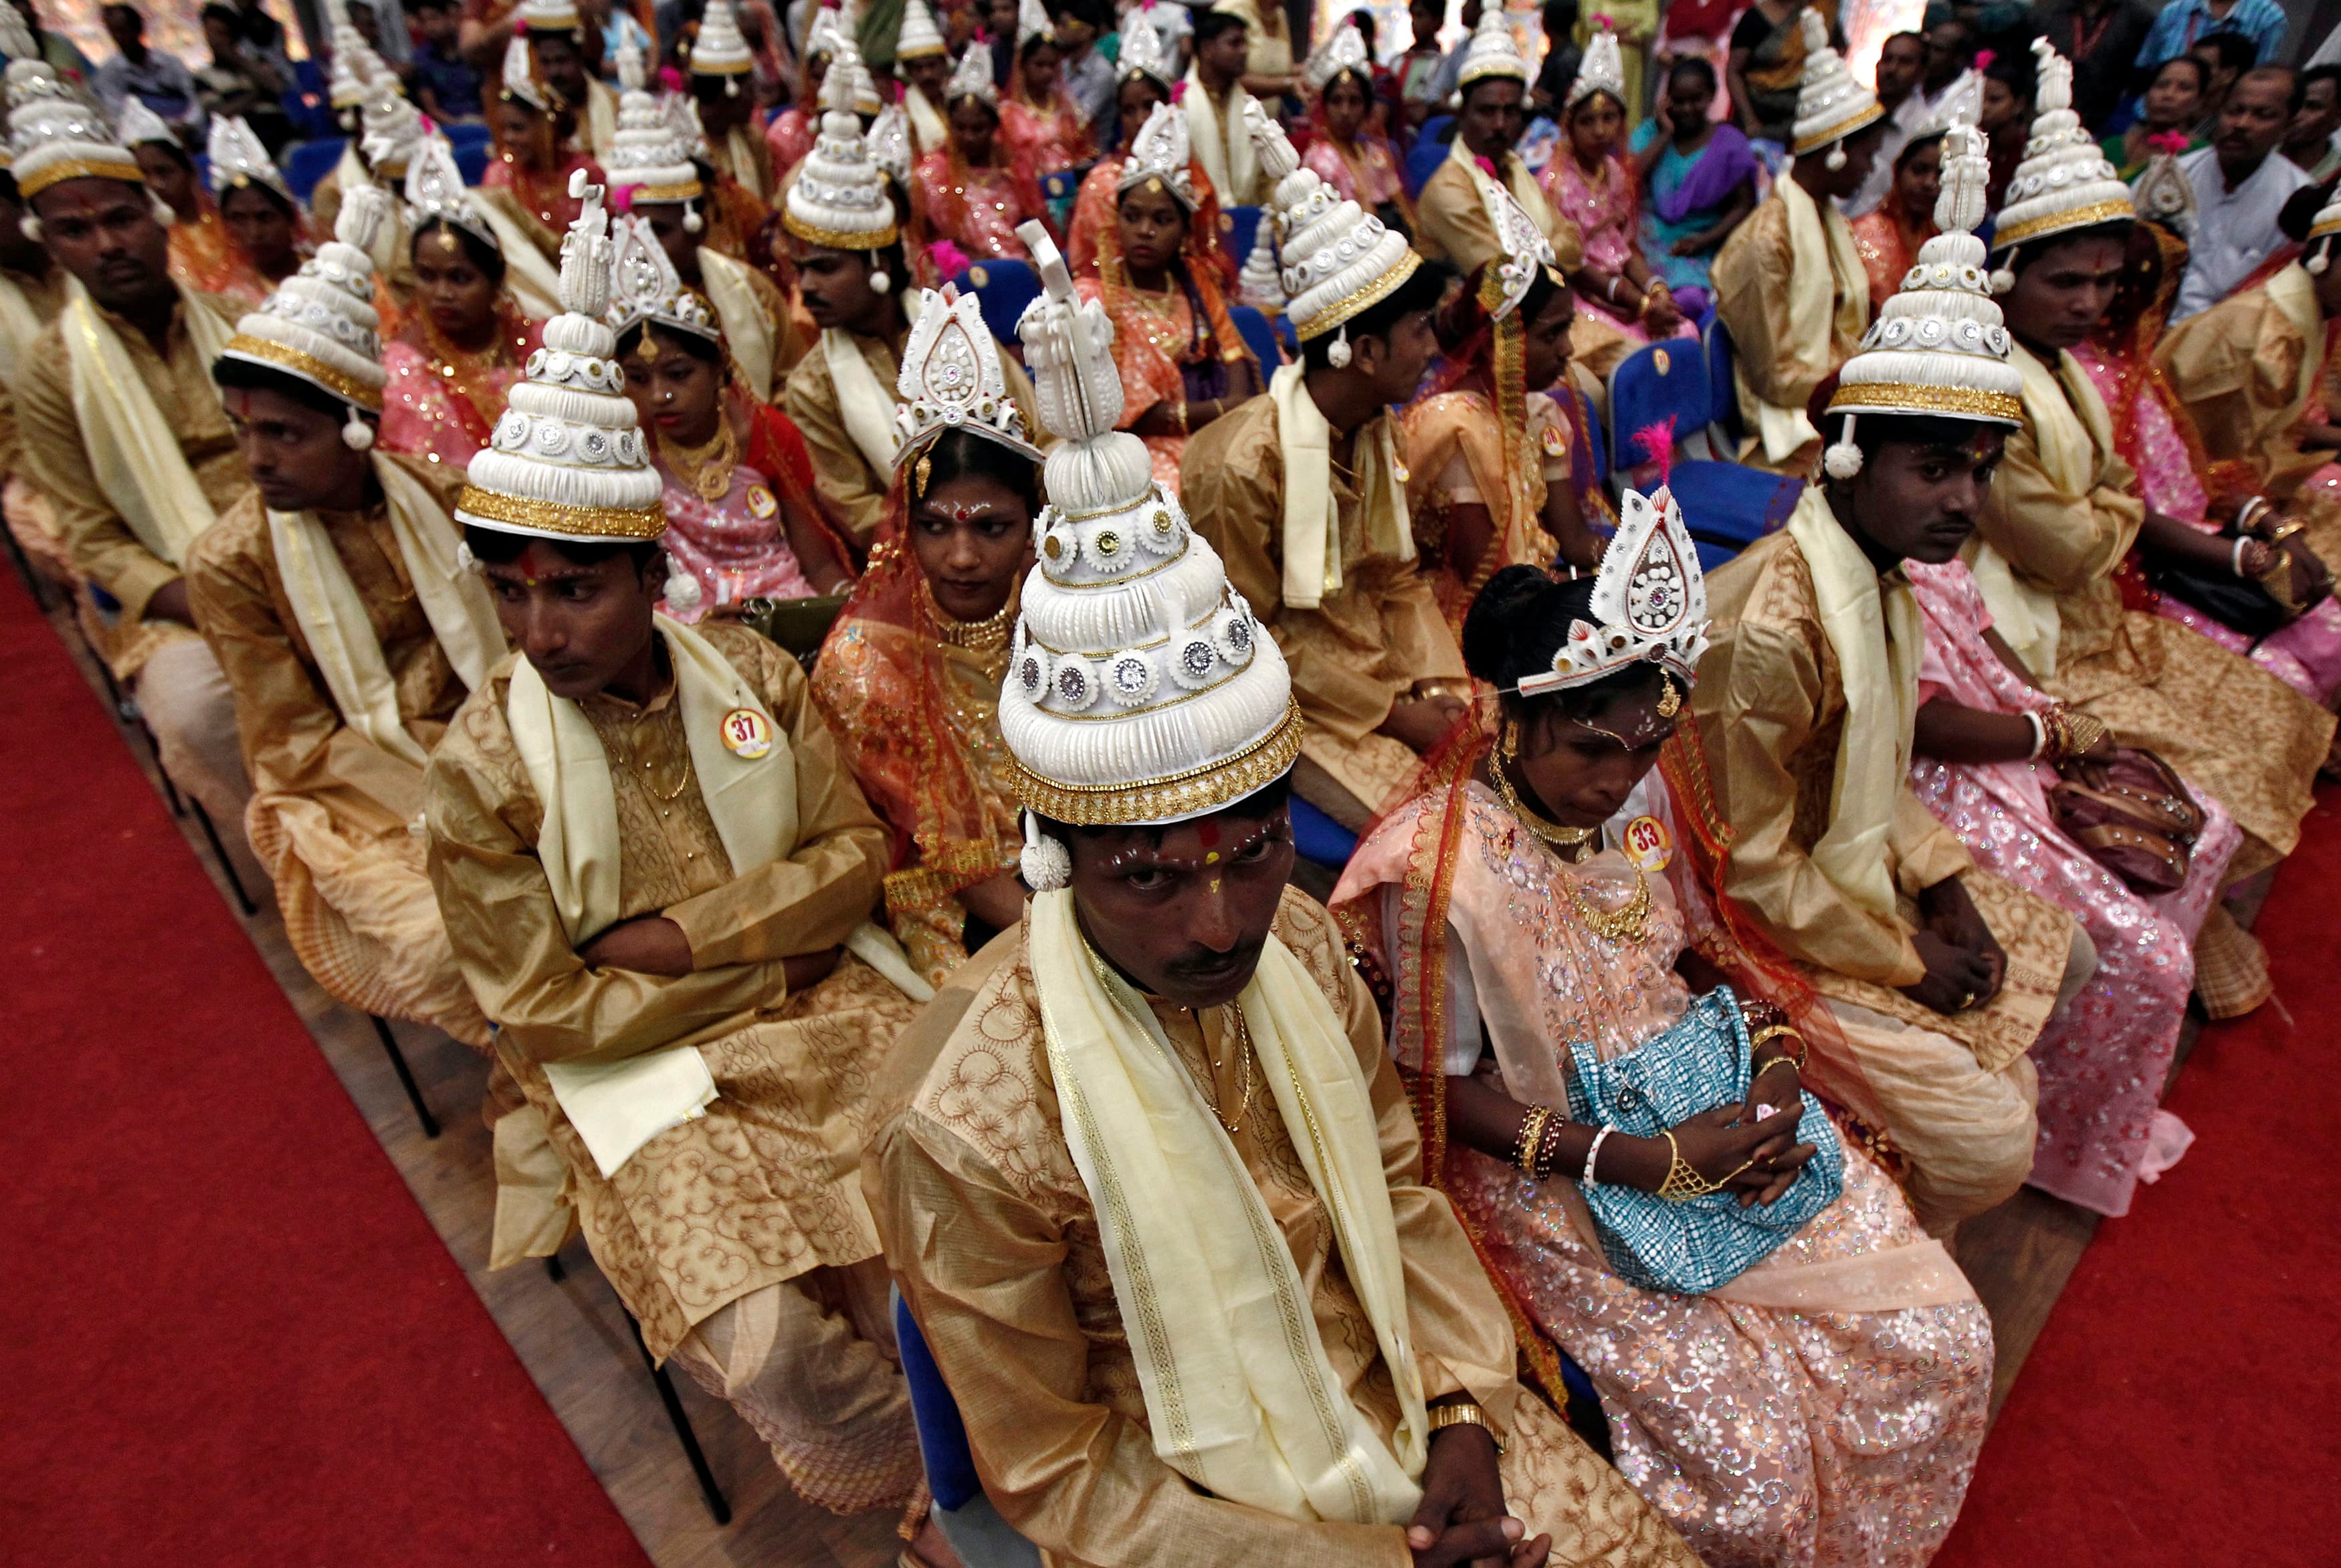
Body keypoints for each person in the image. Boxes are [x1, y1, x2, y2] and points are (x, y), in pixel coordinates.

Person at [867, 228, 1703, 1568]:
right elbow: (1060, 1473)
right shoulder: (967, 1126)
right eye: (1145, 871)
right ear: (1058, 852)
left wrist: (1462, 1412)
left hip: (1397, 1397)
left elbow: (1398, 1191)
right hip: (1193, 1507)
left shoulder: (1301, 942)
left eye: (1254, 849)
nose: (1219, 923)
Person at [423, 177, 941, 1540]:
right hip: (638, 1072)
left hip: (812, 1002)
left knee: (939, 1256)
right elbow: (543, 1007)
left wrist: (687, 938)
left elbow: (847, 855)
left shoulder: (755, 671)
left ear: (652, 578)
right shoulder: (483, 770)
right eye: (512, 588)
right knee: (771, 1341)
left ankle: (989, 1474)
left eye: (574, 587)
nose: (538, 629)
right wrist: (763, 960)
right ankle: (927, 1485)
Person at [1334, 517, 1994, 1565]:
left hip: (1707, 1086)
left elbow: (1691, 952)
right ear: (1514, 722)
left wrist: (1776, 1064)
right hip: (1555, 1161)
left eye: (1643, 747)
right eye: (1592, 749)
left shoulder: (1636, 801)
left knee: (1939, 1340)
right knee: (1754, 1468)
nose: (1620, 777)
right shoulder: (1437, 874)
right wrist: (1641, 1161)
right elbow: (1431, 1090)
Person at [1681, 122, 2091, 1233]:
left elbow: (1876, 767)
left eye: (1979, 471)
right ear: (1852, 454)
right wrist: (1910, 958)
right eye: (1936, 467)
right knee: (1997, 1140)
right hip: (1736, 917)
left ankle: (1884, 1174)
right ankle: (1869, 1196)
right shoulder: (1774, 629)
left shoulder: (1876, 564)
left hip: (1834, 875)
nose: (1967, 498)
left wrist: (1945, 885)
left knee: (2071, 955)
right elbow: (1749, 871)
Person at [1975, 41, 2334, 890]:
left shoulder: (2067, 369)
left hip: (2091, 608)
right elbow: (2061, 546)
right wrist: (2111, 516)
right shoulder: (1993, 386)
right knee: (2214, 784)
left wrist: (2104, 513)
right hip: (2032, 630)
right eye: (2066, 282)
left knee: (2270, 717)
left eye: (2103, 285)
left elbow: (2107, 504)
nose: (2090, 305)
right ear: (2006, 274)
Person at [187, 187, 500, 1054]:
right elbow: (293, 745)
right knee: (455, 936)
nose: (256, 459)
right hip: (351, 790)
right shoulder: (230, 561)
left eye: (284, 434)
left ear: (360, 427)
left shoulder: (443, 497)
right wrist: (460, 798)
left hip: (492, 731)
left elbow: (517, 644)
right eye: (243, 431)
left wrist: (508, 758)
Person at [1183, 113, 1463, 831]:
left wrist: (1438, 685)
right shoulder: (1239, 469)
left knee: (1514, 764)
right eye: (1418, 330)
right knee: (1440, 838)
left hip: (1375, 671)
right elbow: (1247, 641)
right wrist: (1398, 715)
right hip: (1280, 697)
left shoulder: (1371, 425)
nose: (1433, 348)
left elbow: (1395, 580)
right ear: (1363, 352)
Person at [10, 60, 258, 867]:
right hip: (171, 594)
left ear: (159, 218)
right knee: (194, 710)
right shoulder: (51, 374)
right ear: (50, 244)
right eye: (76, 231)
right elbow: (91, 536)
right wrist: (206, 599)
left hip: (288, 548)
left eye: (122, 218)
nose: (107, 244)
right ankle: (301, 854)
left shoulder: (239, 323)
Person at [810, 285, 1043, 985]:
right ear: (904, 527)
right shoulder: (865, 661)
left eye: (991, 528)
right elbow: (958, 866)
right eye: (935, 526)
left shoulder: (1059, 613)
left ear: (1032, 524)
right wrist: (1072, 938)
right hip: (952, 897)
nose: (962, 556)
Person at [784, 41, 1041, 552]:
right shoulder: (813, 387)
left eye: (825, 269)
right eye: (801, 271)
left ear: (879, 263)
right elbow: (855, 510)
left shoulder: (951, 324)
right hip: (917, 559)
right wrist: (955, 542)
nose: (806, 287)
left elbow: (1031, 428)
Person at [2148, 185, 2341, 706]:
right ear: (2326, 252)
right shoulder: (2261, 338)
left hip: (2242, 500)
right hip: (2184, 522)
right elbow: (2210, 467)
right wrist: (2276, 536)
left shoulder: (2309, 314)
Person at [609, 213, 853, 616]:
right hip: (677, 626)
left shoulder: (771, 434)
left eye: (679, 373)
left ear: (720, 369)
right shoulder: (623, 447)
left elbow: (819, 563)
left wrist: (850, 611)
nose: (659, 395)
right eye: (637, 378)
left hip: (775, 610)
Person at [1404, 203, 1602, 637]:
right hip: (1480, 625)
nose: (1569, 349)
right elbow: (1494, 589)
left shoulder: (1541, 412)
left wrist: (1634, 556)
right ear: (1501, 344)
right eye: (1552, 334)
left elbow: (1573, 540)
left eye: (1567, 329)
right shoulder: (1457, 429)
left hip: (1539, 592)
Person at [1710, 11, 1882, 475]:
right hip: (1785, 424)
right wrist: (1867, 384)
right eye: (1867, 151)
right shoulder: (1766, 244)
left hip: (1836, 393)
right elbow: (1777, 378)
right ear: (1836, 150)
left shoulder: (1828, 219)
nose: (1871, 166)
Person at [602, 39, 801, 401]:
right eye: (628, 233)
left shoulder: (750, 291)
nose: (642, 248)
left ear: (698, 227)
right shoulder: (602, 316)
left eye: (657, 231)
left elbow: (790, 385)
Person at [1077, 104, 1258, 491]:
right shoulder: (1093, 299)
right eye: (1133, 216)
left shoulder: (1195, 281)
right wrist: (1219, 410)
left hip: (1210, 433)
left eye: (1162, 220)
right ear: (1117, 220)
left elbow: (1235, 359)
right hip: (1133, 446)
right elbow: (1133, 416)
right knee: (1173, 490)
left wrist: (1229, 411)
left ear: (1184, 231)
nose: (1145, 231)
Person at [380, 157, 544, 469]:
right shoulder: (403, 368)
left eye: (459, 278)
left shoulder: (540, 346)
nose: (442, 293)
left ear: (496, 280)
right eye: (427, 277)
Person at [1544, 30, 1689, 348]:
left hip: (1623, 291)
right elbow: (1576, 269)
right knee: (1637, 351)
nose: (1600, 130)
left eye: (1609, 118)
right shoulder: (1555, 183)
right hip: (1579, 298)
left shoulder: (1615, 174)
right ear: (1569, 125)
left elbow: (1627, 248)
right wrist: (1640, 304)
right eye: (1587, 121)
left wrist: (1656, 289)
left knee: (1685, 333)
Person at [2172, 66, 2312, 322]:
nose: (2241, 124)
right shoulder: (2174, 176)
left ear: (2288, 127)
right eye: (2234, 111)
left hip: (2231, 341)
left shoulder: (2299, 200)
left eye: (2263, 115)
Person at [1627, 56, 1757, 313]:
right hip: (1644, 238)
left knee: (1687, 302)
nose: (1687, 108)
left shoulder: (1730, 145)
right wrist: (1665, 134)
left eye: (1696, 99)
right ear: (1666, 100)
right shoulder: (1649, 132)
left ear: (1711, 96)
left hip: (1697, 249)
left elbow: (1745, 204)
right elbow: (1627, 179)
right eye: (1679, 100)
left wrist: (1704, 240)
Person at [480, 33, 607, 269]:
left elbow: (602, 244)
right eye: (504, 128)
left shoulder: (586, 173)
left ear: (546, 128)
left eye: (518, 128)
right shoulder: (499, 175)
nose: (509, 138)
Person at [916, 40, 1051, 261]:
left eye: (978, 128)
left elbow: (1037, 227)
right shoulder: (933, 174)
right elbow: (931, 241)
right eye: (960, 128)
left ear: (994, 127)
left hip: (1020, 270)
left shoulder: (1014, 167)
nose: (968, 137)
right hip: (961, 274)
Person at [1063, 10, 1174, 274]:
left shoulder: (1192, 180)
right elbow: (1085, 270)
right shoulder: (1100, 184)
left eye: (1151, 106)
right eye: (1129, 110)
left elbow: (1206, 264)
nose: (1141, 119)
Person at [1301, 21, 1415, 241]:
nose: (1345, 112)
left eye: (1355, 102)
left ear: (1367, 107)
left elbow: (1402, 213)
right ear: (1324, 106)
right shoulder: (1319, 160)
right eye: (1337, 101)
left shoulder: (1376, 154)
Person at [206, 115, 309, 306]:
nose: (254, 233)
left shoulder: (329, 272)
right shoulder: (225, 297)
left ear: (290, 217)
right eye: (239, 219)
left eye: (265, 217)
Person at [688, 0, 775, 205]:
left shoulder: (752, 139)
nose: (756, 101)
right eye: (750, 91)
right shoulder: (682, 144)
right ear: (729, 93)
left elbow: (766, 206)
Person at [1180, 7, 1267, 209]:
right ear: (1208, 49)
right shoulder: (1180, 107)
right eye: (1235, 43)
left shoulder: (1251, 107)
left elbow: (1266, 179)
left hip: (1249, 223)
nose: (1244, 51)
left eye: (1245, 43)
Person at [1851, 123, 1942, 312]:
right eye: (1919, 170)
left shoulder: (1944, 244)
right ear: (1898, 171)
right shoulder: (1864, 232)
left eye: (1941, 175)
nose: (1930, 183)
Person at [1001, 0, 1093, 178]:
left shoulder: (1068, 109)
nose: (1047, 72)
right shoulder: (1008, 114)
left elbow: (1083, 152)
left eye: (1052, 65)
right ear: (1023, 65)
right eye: (1040, 65)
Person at [518, 0, 619, 158]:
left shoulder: (614, 102)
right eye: (546, 62)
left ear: (580, 56)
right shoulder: (536, 112)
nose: (554, 71)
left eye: (562, 60)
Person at [1843, 28, 1925, 219]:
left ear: (1921, 73)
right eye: (1888, 60)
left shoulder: (1923, 128)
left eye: (1905, 62)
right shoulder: (1853, 110)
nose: (1892, 69)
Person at [1726, 0, 1831, 148]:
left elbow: (1835, 53)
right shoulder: (1753, 20)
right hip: (1758, 120)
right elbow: (1733, 72)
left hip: (1804, 118)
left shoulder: (1820, 15)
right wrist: (1750, 121)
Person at [2038, 0, 2154, 133]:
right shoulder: (2046, 15)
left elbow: (2140, 78)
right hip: (2050, 114)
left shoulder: (2139, 19)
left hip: (2109, 121)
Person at [94, 3, 203, 130]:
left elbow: (194, 102)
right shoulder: (109, 74)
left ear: (138, 29)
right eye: (114, 33)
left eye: (124, 31)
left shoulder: (171, 63)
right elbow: (117, 115)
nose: (120, 38)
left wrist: (184, 126)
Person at [2102, 54, 2208, 180]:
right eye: (2161, 85)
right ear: (2146, 95)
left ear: (2199, 101)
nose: (2168, 95)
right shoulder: (2111, 147)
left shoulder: (2200, 157)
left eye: (2184, 88)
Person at [762, 5, 834, 177]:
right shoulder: (786, 134)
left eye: (831, 79)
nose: (824, 87)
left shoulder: (867, 129)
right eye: (817, 77)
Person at [2133, 0, 2285, 77]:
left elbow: (2257, 81)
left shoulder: (2269, 18)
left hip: (2217, 123)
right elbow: (2145, 67)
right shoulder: (2175, 10)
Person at [891, 0, 950, 160]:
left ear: (943, 64)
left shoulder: (955, 102)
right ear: (908, 72)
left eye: (932, 66)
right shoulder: (902, 113)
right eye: (919, 68)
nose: (927, 75)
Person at [407, 0, 485, 122]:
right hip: (450, 125)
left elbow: (487, 89)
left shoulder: (469, 47)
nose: (430, 26)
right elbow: (432, 109)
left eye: (434, 18)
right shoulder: (422, 58)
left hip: (483, 117)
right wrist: (458, 123)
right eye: (424, 21)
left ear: (449, 16)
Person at [2285, 65, 2341, 183]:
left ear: (2338, 118)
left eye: (2312, 107)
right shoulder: (2257, 153)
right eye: (2294, 104)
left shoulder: (2336, 180)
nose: (2296, 115)